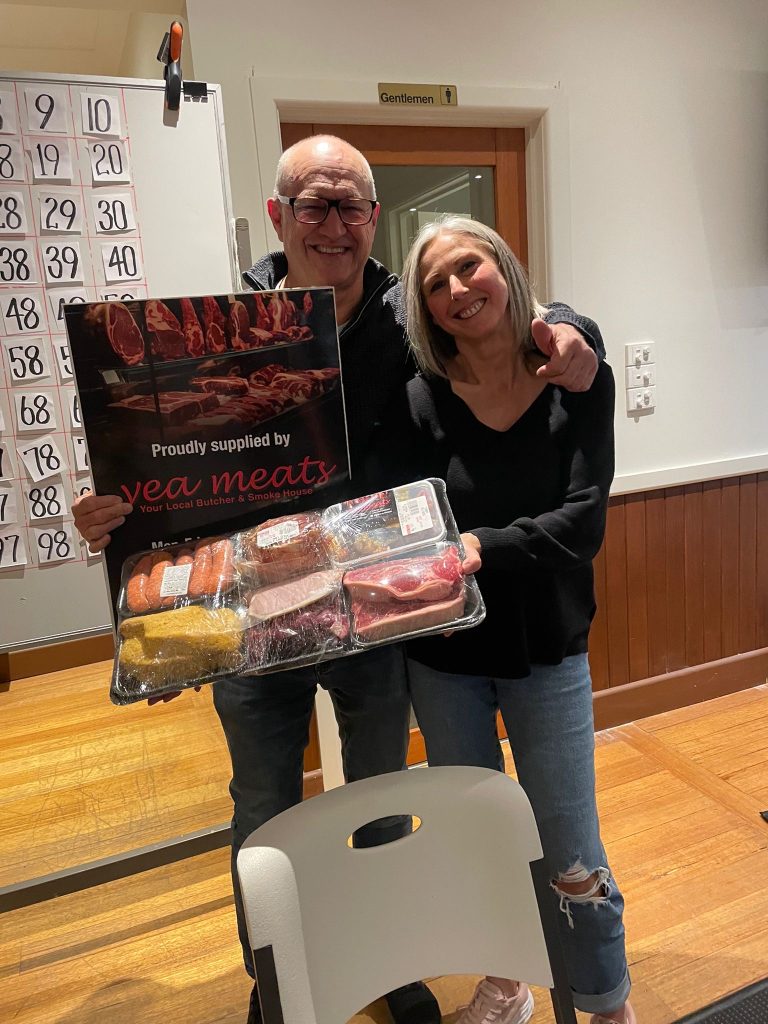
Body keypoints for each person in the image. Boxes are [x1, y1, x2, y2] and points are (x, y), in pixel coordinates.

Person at [72, 137, 605, 1024]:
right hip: (253, 621)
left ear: (372, 216)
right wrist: (117, 518)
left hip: (375, 614)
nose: (333, 224)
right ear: (278, 216)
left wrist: (578, 330)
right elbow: (167, 458)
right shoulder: (226, 330)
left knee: (381, 797)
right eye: (313, 205)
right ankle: (275, 978)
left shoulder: (409, 320)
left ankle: (389, 961)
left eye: (350, 204)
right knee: (263, 805)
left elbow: (509, 308)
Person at [397, 216, 634, 1024]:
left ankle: (605, 1000)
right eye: (436, 284)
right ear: (425, 309)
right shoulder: (419, 399)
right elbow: (405, 524)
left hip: (549, 650)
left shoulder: (577, 378)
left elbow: (583, 524)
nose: (457, 290)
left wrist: (478, 547)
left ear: (504, 267)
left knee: (571, 844)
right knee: (477, 836)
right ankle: (506, 982)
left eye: (470, 266)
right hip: (445, 658)